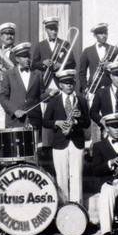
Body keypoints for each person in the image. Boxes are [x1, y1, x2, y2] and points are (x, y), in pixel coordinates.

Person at [43, 69, 90, 203]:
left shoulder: (80, 100)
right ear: (60, 85)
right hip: (60, 142)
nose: (69, 85)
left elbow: (87, 123)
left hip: (76, 142)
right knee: (61, 175)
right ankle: (63, 203)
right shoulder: (53, 101)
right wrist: (57, 123)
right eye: (65, 83)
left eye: (71, 82)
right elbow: (45, 122)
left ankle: (77, 204)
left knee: (76, 175)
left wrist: (79, 117)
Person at [0, 42, 51, 130]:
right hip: (14, 121)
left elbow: (40, 96)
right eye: (24, 57)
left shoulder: (38, 74)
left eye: (28, 56)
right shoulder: (8, 74)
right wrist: (15, 110)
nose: (27, 59)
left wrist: (50, 94)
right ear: (17, 59)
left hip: (34, 120)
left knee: (34, 144)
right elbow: (2, 97)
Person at [32, 16, 76, 87]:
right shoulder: (40, 45)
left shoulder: (65, 44)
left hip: (61, 81)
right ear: (46, 29)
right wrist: (43, 63)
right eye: (51, 29)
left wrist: (61, 65)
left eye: (55, 29)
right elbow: (33, 64)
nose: (54, 32)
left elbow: (72, 63)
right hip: (45, 82)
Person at [78, 23, 118, 96]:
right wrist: (85, 88)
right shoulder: (87, 51)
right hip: (93, 89)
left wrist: (110, 66)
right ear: (95, 35)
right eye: (101, 33)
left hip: (110, 87)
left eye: (105, 33)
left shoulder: (114, 49)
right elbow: (82, 73)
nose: (104, 36)